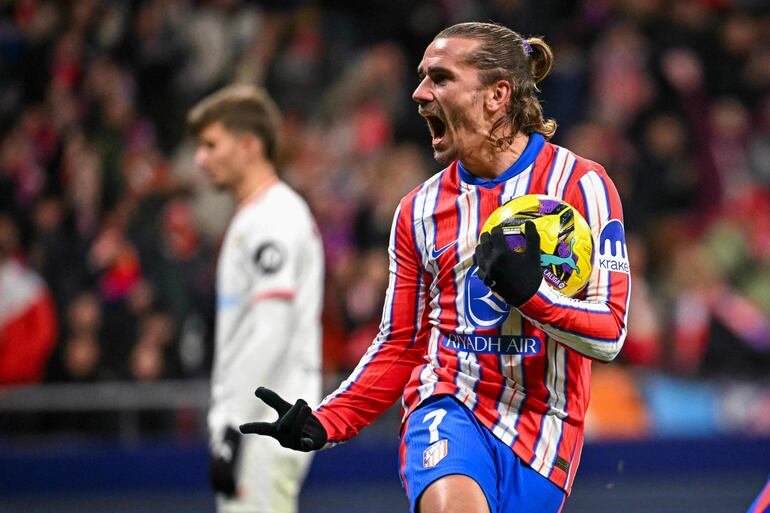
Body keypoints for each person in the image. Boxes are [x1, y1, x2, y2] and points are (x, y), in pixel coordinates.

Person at [240, 22, 630, 513]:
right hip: (447, 404)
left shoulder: (583, 186)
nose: (419, 93)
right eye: (423, 77)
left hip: (545, 429)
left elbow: (610, 335)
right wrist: (328, 421)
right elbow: (401, 343)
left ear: (497, 95)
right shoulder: (418, 211)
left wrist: (534, 296)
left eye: (441, 78)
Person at [187, 84, 324, 513]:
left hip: (263, 424)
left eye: (211, 145)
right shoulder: (258, 215)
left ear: (249, 146)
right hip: (258, 422)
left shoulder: (274, 217)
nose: (200, 159)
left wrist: (229, 423)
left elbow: (271, 328)